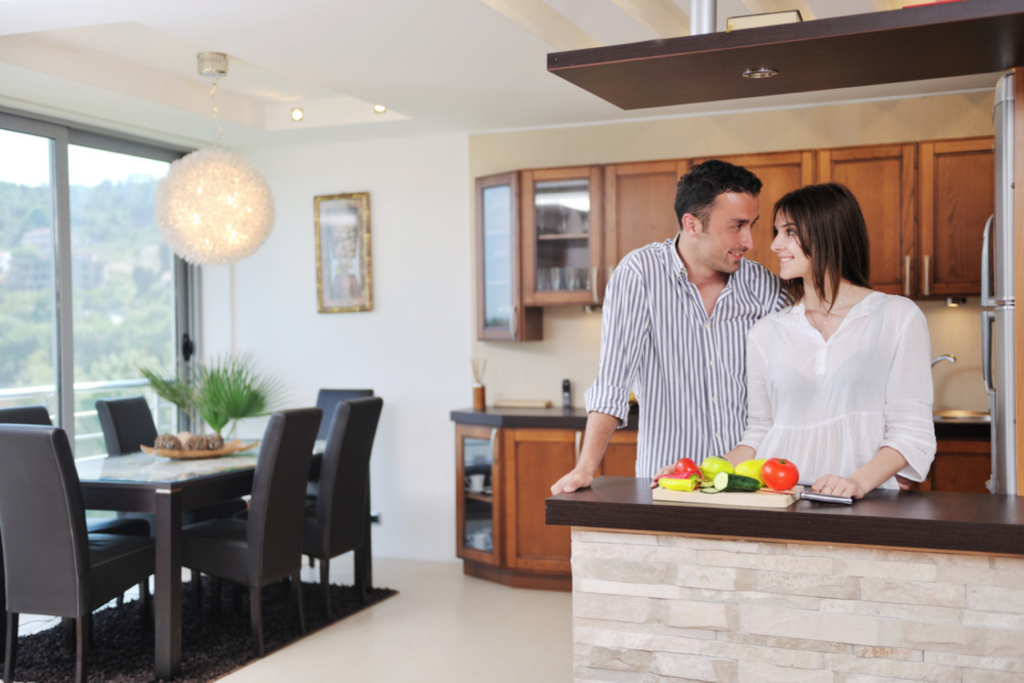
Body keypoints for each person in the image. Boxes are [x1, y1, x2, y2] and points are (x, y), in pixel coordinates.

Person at [550, 159, 786, 495]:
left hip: (747, 483)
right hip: (667, 485)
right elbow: (612, 382)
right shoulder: (640, 276)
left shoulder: (764, 286)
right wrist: (585, 468)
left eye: (753, 224)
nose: (749, 241)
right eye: (736, 226)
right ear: (692, 225)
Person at [719, 183, 936, 498]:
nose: (775, 244)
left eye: (789, 232)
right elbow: (759, 433)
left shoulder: (897, 316)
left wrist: (856, 483)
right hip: (780, 500)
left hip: (868, 502)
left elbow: (912, 432)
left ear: (829, 233)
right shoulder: (766, 332)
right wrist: (698, 472)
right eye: (776, 232)